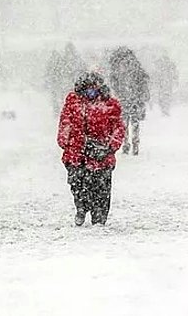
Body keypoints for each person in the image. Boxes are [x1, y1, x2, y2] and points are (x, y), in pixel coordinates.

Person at [57, 72, 125, 226]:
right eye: (87, 88)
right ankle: (81, 207)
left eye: (94, 88)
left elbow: (118, 128)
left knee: (101, 189)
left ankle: (99, 218)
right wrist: (65, 142)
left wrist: (109, 147)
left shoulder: (110, 104)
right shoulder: (73, 102)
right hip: (76, 153)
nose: (91, 92)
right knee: (77, 184)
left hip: (101, 155)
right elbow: (65, 123)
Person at [109, 47, 150, 155]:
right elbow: (144, 80)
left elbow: (113, 82)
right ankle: (135, 144)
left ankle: (126, 144)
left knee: (124, 123)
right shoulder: (136, 65)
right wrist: (141, 94)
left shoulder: (116, 66)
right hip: (135, 99)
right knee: (135, 123)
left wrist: (118, 93)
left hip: (123, 99)